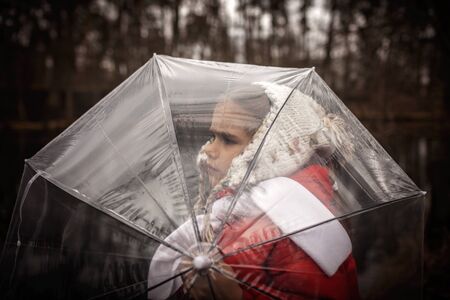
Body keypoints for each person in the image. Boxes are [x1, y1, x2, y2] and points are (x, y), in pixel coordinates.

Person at [148, 82, 360, 300]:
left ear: (272, 149)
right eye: (213, 137)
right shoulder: (238, 210)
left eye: (228, 139)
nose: (208, 149)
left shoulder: (299, 227)